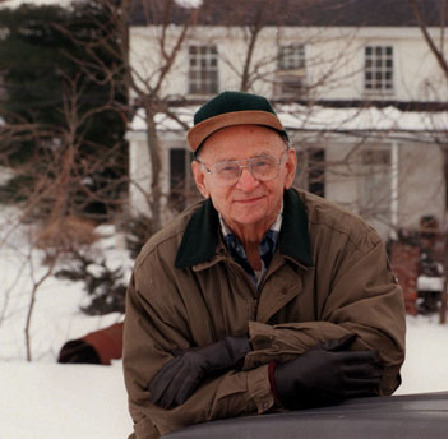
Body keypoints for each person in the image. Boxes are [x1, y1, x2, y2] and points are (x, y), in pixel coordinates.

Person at [122, 91, 406, 438]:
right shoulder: (162, 265)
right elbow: (156, 406)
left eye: (262, 163)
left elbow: (380, 354)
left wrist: (236, 350)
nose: (248, 182)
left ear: (288, 168)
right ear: (201, 180)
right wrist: (276, 383)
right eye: (228, 168)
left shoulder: (350, 243)